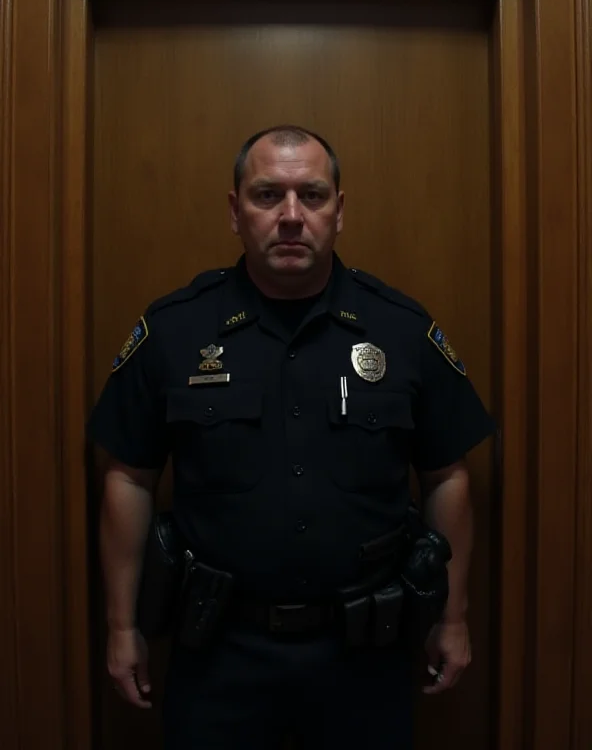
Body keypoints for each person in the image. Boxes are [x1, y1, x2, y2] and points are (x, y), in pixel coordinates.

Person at [87, 124, 496, 749]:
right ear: (234, 211)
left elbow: (447, 474)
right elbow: (129, 476)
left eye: (311, 194)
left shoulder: (401, 329)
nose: (290, 216)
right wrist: (122, 627)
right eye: (266, 195)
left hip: (366, 655)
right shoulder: (174, 330)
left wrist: (454, 615)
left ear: (340, 210)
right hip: (218, 655)